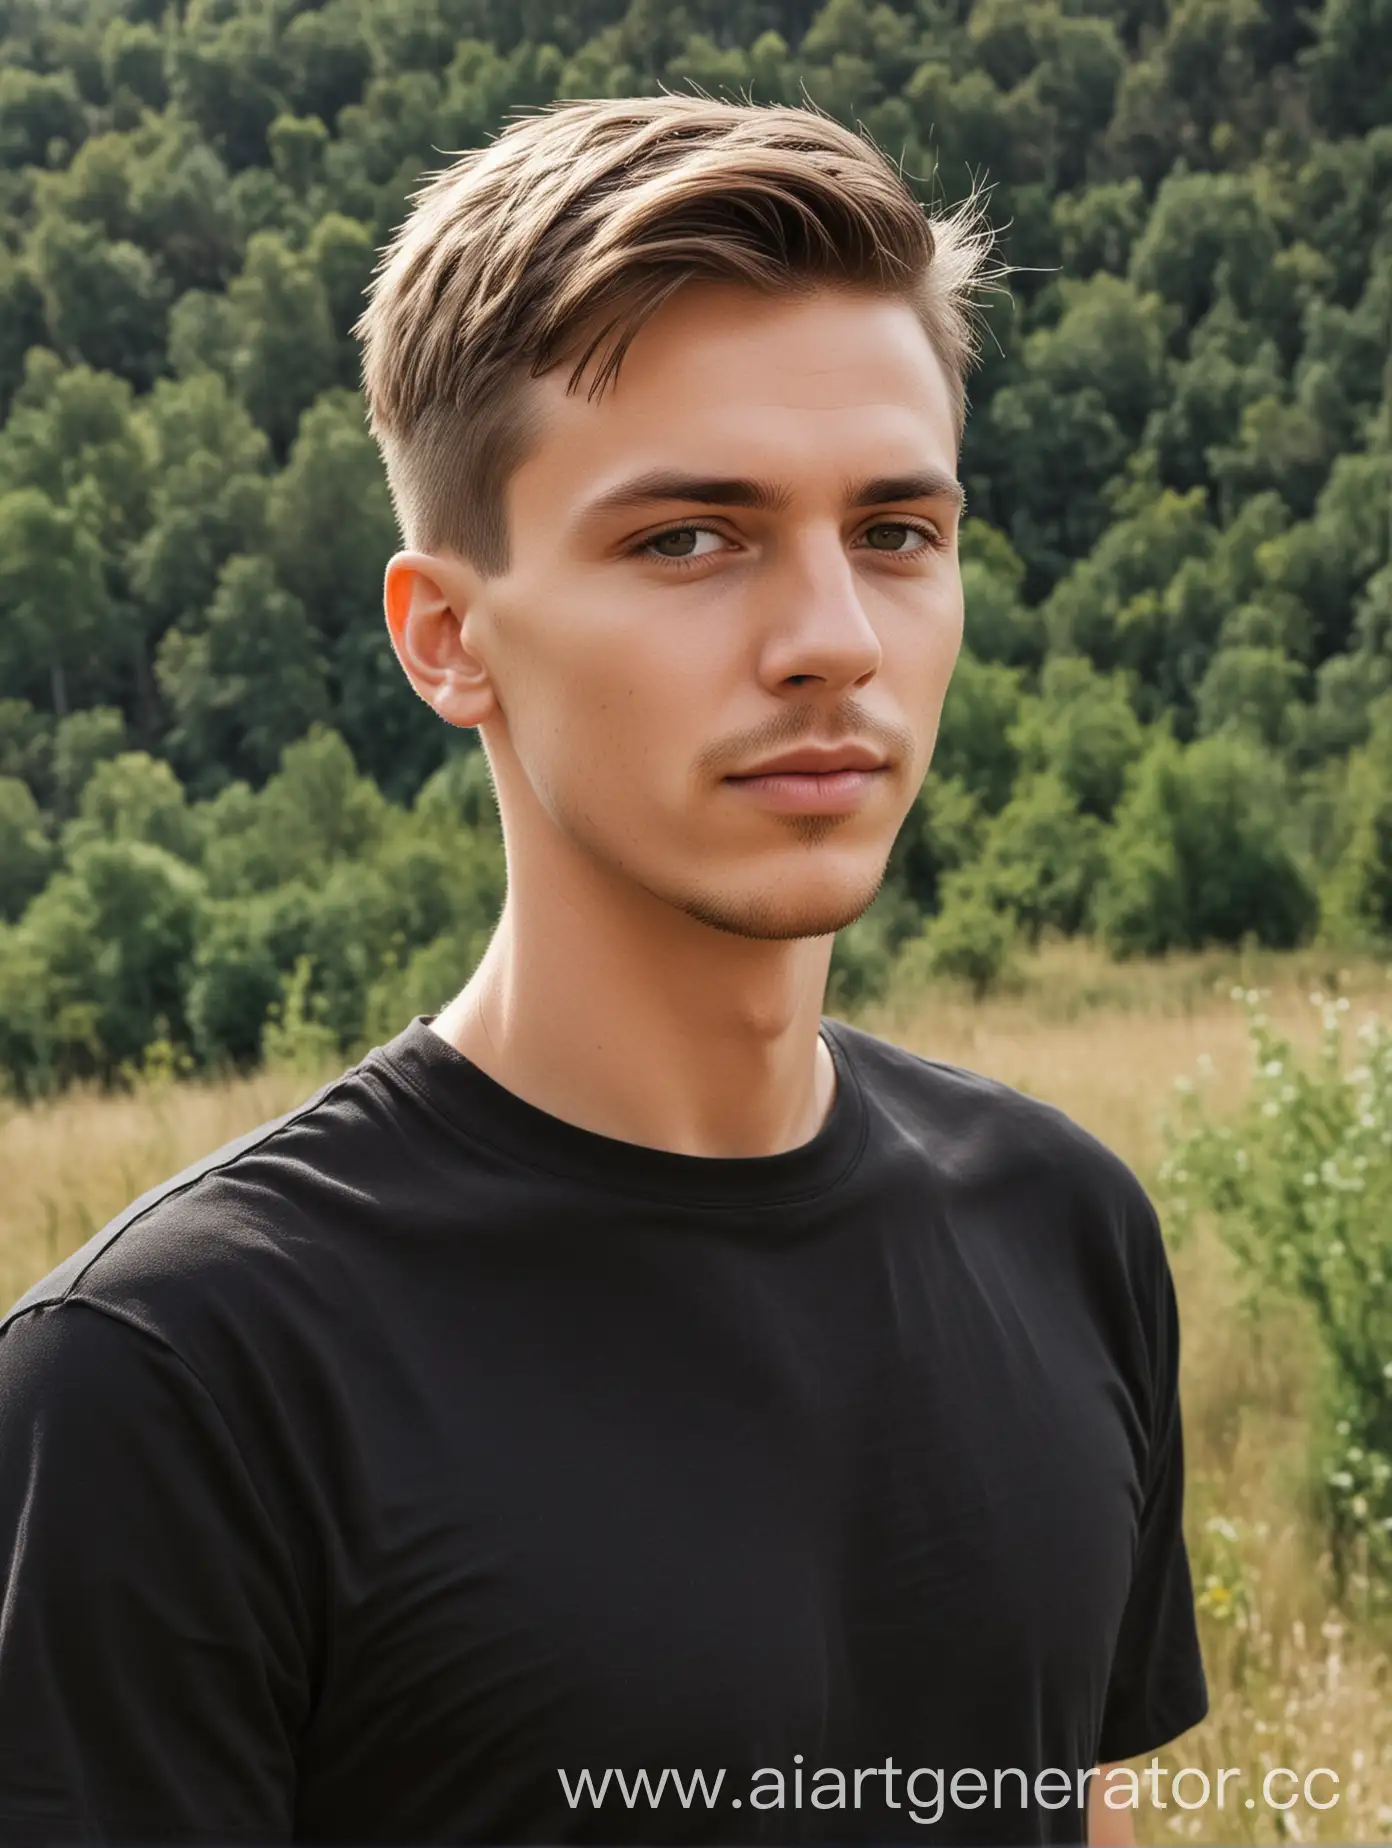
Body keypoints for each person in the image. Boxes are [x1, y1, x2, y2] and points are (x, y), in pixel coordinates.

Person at [0, 96, 1207, 1846]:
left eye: (895, 531)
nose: (832, 643)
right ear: (448, 640)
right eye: (688, 539)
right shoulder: (173, 1385)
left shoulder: (1069, 1231)